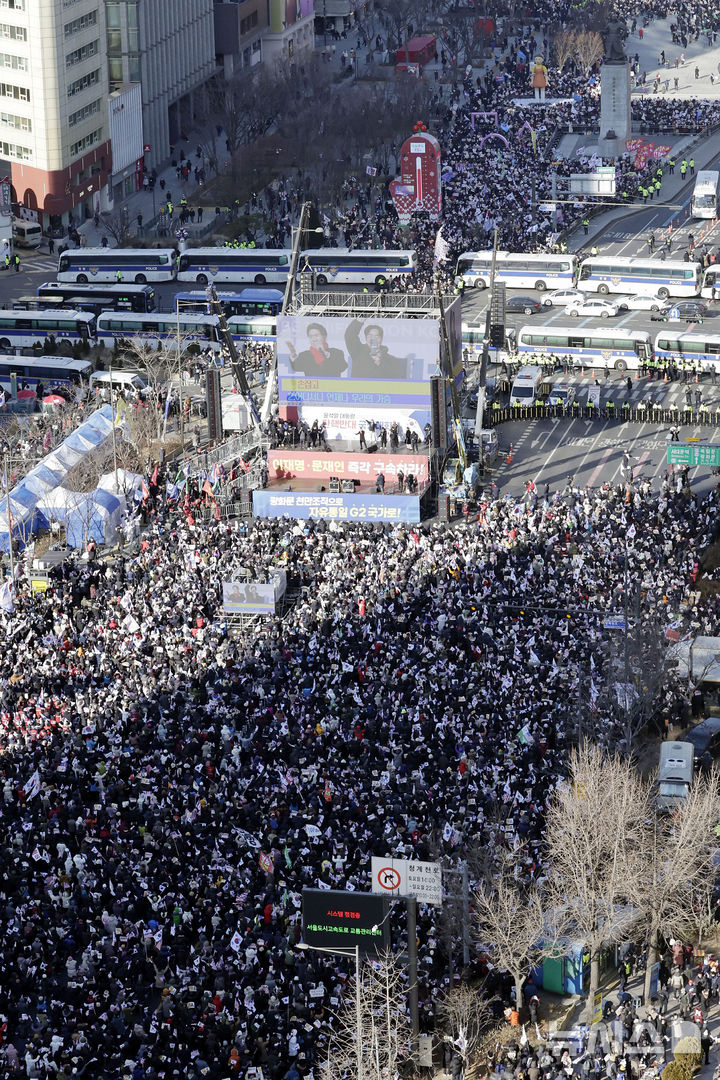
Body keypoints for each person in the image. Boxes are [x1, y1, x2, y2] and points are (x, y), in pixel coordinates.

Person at [344, 320, 408, 379]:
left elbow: (397, 379)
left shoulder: (391, 360)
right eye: (370, 336)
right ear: (366, 338)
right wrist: (359, 321)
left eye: (377, 336)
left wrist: (380, 363)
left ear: (381, 339)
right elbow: (349, 335)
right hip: (360, 390)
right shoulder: (358, 351)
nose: (373, 339)